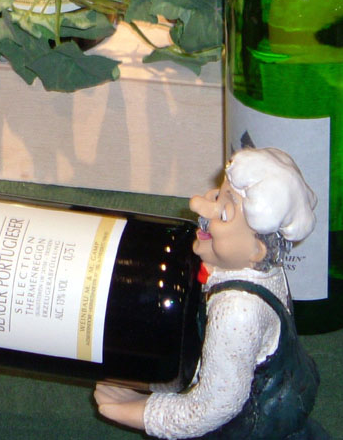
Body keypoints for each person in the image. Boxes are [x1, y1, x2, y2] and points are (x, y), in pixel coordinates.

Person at [94, 147, 327, 439]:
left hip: (245, 427)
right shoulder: (257, 270)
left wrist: (140, 412)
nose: (199, 206)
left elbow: (212, 406)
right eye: (217, 196)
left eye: (225, 213)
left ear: (257, 250)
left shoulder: (237, 310)